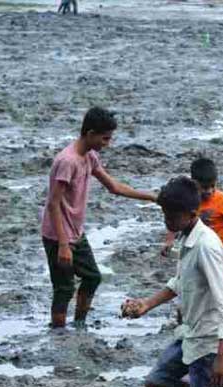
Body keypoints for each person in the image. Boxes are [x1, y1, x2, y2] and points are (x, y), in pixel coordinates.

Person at [122, 176, 223, 387]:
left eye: (172, 215)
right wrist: (146, 304)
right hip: (190, 333)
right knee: (157, 383)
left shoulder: (206, 246)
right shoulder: (187, 238)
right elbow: (179, 283)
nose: (167, 221)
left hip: (210, 341)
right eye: (164, 214)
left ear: (192, 213)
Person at [41, 107, 156, 329]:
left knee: (92, 277)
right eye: (105, 138)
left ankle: (80, 324)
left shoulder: (90, 157)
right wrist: (64, 245)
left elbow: (113, 186)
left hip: (76, 232)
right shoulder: (68, 161)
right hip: (58, 235)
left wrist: (151, 197)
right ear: (90, 133)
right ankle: (58, 332)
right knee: (64, 288)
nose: (107, 143)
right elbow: (53, 204)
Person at [162, 158, 223, 282]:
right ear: (194, 183)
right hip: (194, 247)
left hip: (222, 249)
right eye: (205, 188)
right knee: (190, 280)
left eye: (213, 186)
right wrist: (169, 241)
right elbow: (175, 220)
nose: (209, 191)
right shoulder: (187, 200)